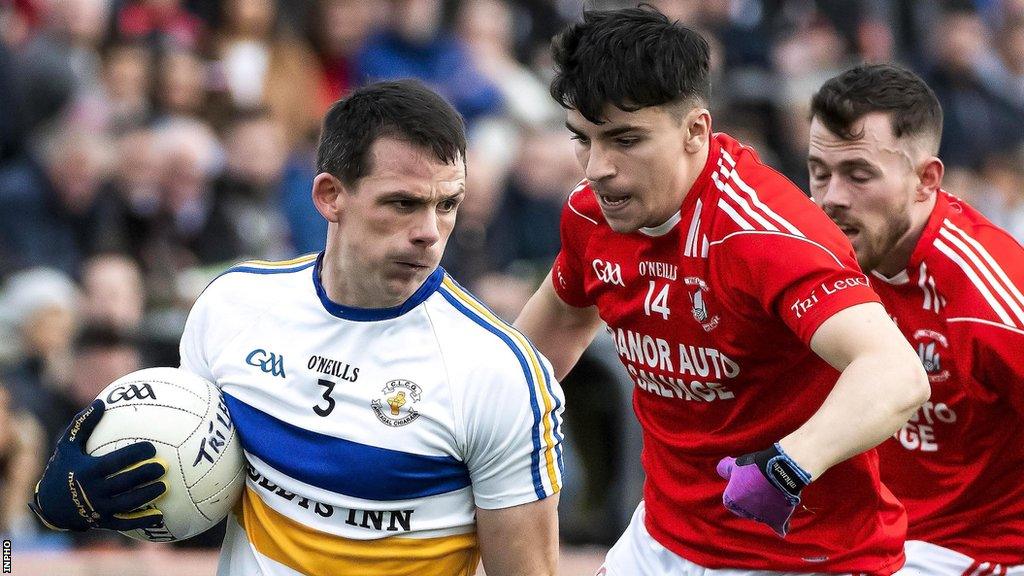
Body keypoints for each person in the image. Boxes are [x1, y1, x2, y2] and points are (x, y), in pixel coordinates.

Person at [29, 79, 564, 576]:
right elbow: (198, 490)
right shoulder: (232, 306)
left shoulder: (498, 370)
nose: (430, 232)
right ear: (330, 196)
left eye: (448, 204)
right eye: (403, 203)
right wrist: (76, 502)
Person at [514, 7, 929, 575]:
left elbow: (896, 373)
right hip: (660, 541)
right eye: (582, 139)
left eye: (625, 140)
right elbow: (541, 345)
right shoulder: (592, 216)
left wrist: (789, 466)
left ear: (695, 132)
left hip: (806, 558)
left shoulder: (761, 234)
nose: (599, 167)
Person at [807, 63, 1024, 576]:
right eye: (819, 172)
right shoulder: (812, 254)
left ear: (926, 180)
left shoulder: (991, 296)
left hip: (974, 555)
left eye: (859, 175)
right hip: (865, 539)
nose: (832, 197)